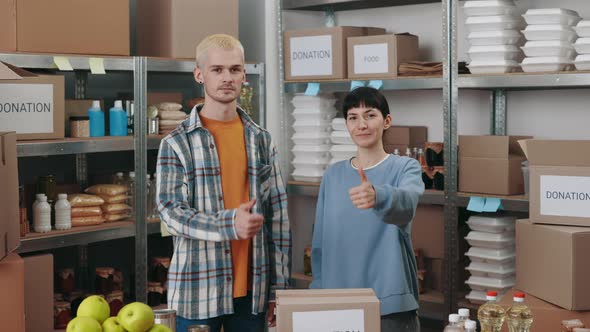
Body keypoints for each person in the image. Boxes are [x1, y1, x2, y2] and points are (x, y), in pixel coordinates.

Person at [156, 34, 290, 332]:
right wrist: (229, 224)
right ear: (199, 74)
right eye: (217, 69)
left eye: (235, 69)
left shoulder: (262, 141)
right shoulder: (177, 143)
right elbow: (170, 212)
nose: (227, 78)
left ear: (244, 74)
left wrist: (279, 289)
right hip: (197, 291)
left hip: (253, 292)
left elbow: (278, 219)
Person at [310, 87, 424, 332]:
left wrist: (378, 195)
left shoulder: (405, 168)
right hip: (338, 305)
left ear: (386, 121)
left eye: (370, 115)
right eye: (353, 117)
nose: (361, 124)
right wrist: (317, 296)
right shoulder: (333, 175)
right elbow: (321, 242)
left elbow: (406, 205)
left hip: (389, 307)